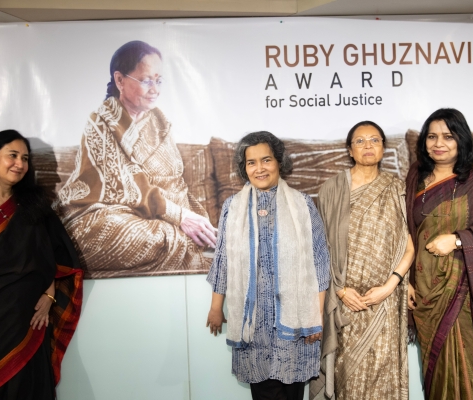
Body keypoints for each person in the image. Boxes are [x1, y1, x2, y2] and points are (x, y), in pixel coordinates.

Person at [56, 40, 216, 278]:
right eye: (146, 80)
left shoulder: (159, 122)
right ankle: (181, 242)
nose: (155, 89)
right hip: (107, 211)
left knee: (168, 234)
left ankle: (182, 239)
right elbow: (121, 183)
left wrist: (184, 214)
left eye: (158, 80)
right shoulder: (100, 122)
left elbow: (174, 179)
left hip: (163, 214)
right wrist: (179, 216)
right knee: (132, 235)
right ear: (120, 80)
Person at [206, 131, 330, 400]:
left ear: (279, 162)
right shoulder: (232, 207)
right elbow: (223, 260)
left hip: (295, 324)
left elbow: (320, 261)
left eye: (266, 160)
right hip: (253, 326)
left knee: (292, 392)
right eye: (251, 162)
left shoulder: (303, 204)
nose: (259, 168)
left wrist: (316, 316)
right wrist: (216, 307)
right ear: (245, 168)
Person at [310, 121, 414, 400]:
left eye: (374, 140)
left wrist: (390, 286)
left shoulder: (398, 188)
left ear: (383, 147)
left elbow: (409, 246)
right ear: (349, 150)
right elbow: (319, 248)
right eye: (360, 141)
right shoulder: (332, 189)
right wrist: (341, 291)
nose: (368, 146)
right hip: (345, 302)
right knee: (347, 379)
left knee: (383, 374)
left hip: (385, 300)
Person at [0, 130, 83, 400]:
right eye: (12, 155)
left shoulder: (33, 206)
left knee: (28, 386)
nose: (20, 164)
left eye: (25, 158)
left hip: (28, 319)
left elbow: (56, 257)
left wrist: (49, 296)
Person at [405, 108, 473, 399]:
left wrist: (458, 240)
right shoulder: (416, 177)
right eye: (432, 137)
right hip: (424, 290)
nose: (439, 144)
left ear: (461, 140)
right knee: (435, 371)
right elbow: (405, 231)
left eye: (448, 136)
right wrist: (406, 281)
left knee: (465, 366)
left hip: (462, 290)